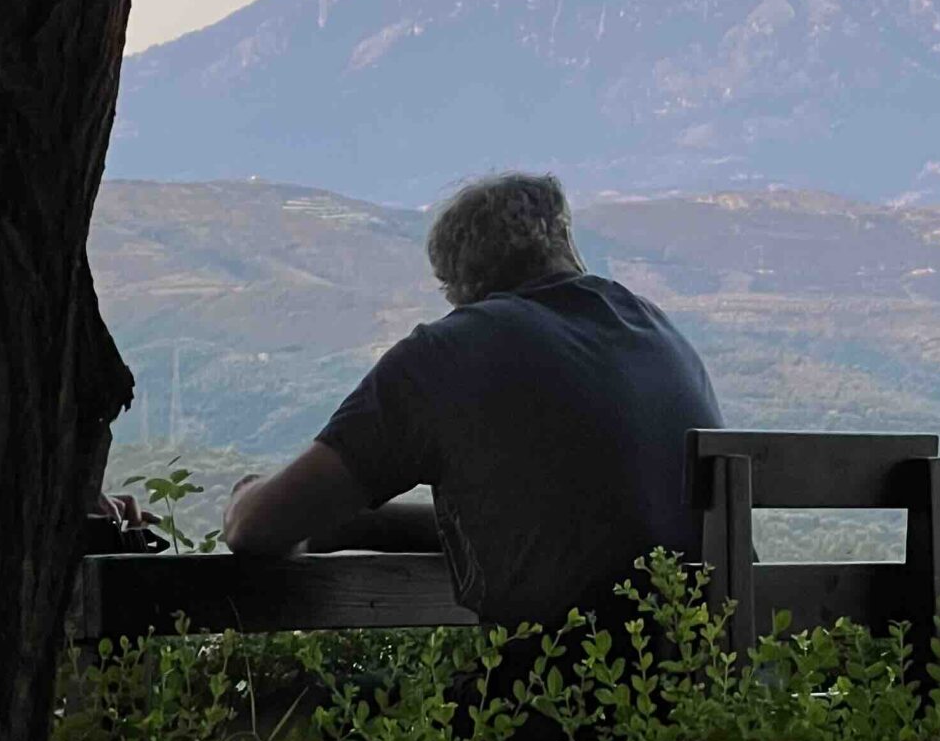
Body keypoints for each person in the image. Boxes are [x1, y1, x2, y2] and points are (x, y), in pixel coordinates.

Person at [221, 172, 724, 653]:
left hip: (563, 708)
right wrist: (350, 525)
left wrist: (244, 497)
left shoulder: (451, 352)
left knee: (323, 717)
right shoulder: (655, 333)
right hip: (719, 691)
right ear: (566, 248)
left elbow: (258, 527)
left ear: (456, 285)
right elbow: (569, 522)